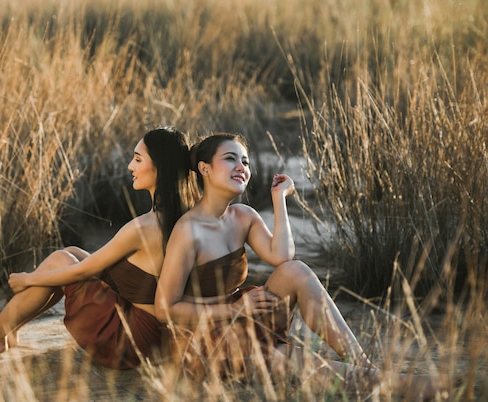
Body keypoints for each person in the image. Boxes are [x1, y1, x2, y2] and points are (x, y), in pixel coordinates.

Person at [155, 133, 441, 397]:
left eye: (245, 161)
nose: (241, 166)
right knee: (285, 356)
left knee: (296, 271)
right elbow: (165, 309)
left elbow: (282, 257)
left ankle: (363, 366)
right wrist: (232, 309)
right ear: (204, 169)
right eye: (230, 159)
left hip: (240, 319)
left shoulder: (243, 216)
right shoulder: (187, 230)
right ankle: (398, 387)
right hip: (205, 341)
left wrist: (279, 199)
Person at [0, 127, 198, 369]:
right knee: (75, 252)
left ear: (160, 167)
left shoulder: (144, 227)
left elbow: (82, 272)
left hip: (130, 342)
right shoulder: (186, 217)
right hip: (157, 337)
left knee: (63, 261)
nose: (130, 167)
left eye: (137, 159)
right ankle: (7, 329)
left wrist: (28, 279)